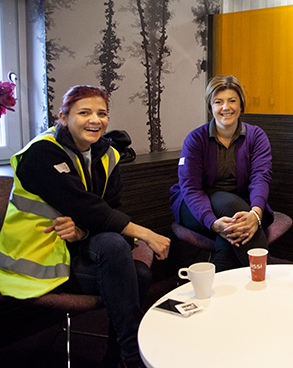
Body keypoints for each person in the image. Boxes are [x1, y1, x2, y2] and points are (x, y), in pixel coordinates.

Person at [0, 85, 171, 368]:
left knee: (125, 258)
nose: (95, 119)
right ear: (63, 117)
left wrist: (83, 230)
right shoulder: (42, 154)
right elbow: (84, 206)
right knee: (132, 267)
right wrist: (146, 234)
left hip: (75, 250)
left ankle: (121, 355)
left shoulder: (108, 155)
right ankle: (129, 353)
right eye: (84, 112)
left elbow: (106, 211)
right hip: (37, 262)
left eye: (102, 113)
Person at [170, 75, 273, 272]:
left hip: (239, 206)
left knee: (231, 231)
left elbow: (261, 177)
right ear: (211, 108)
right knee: (231, 207)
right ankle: (262, 277)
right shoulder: (195, 139)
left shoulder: (256, 136)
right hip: (194, 205)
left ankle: (214, 288)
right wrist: (212, 222)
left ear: (241, 105)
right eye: (219, 102)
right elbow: (191, 188)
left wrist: (256, 214)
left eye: (232, 100)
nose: (226, 107)